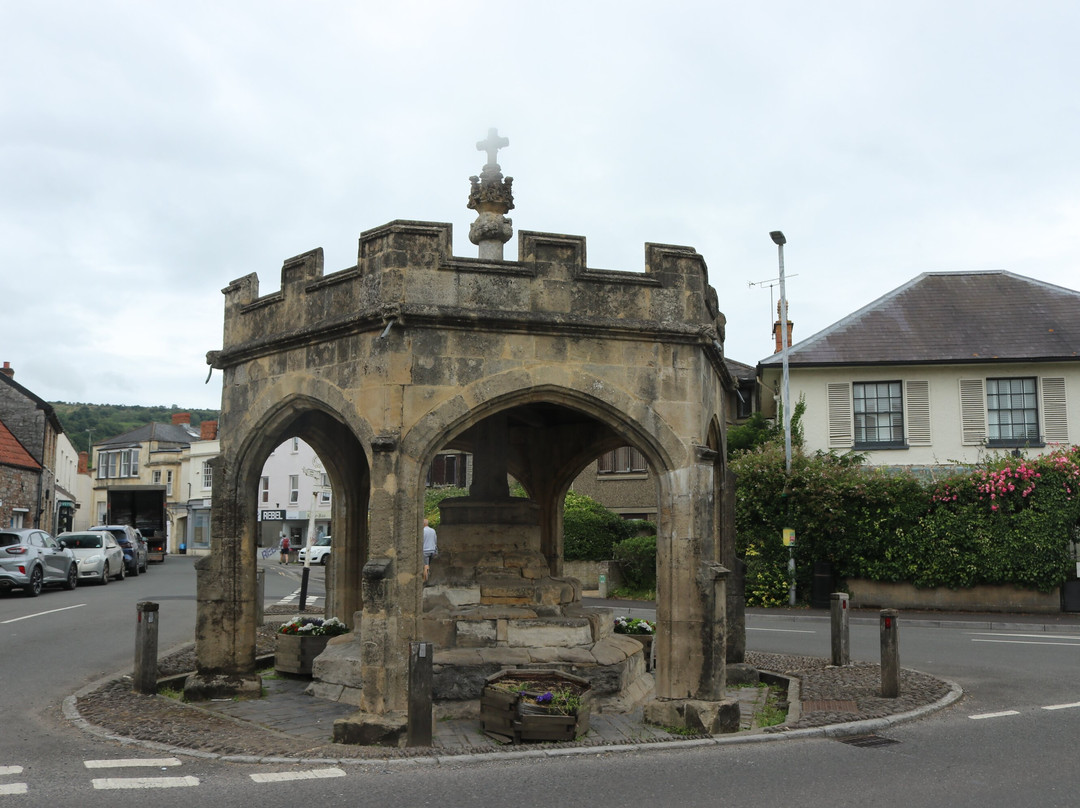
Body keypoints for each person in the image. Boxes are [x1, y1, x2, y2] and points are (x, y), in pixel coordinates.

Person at [422, 518, 438, 583]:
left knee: (425, 566)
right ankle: (431, 579)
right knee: (430, 566)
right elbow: (435, 540)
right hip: (432, 550)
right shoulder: (433, 530)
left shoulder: (422, 531)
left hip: (425, 550)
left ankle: (426, 581)